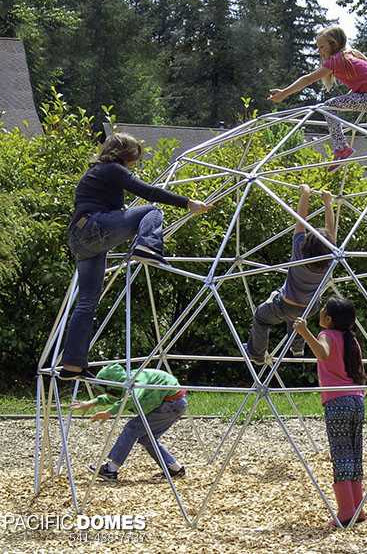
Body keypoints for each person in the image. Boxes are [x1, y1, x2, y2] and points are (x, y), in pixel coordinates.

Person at [60, 133, 211, 380]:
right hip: (93, 228)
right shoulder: (112, 169)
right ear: (126, 155)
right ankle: (148, 247)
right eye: (134, 159)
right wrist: (187, 203)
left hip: (80, 240)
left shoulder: (96, 172)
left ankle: (72, 365)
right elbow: (148, 192)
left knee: (87, 302)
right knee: (151, 211)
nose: (134, 164)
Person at [268, 26, 367, 209]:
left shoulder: (336, 60)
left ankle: (341, 148)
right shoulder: (350, 55)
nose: (319, 51)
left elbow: (307, 80)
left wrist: (284, 93)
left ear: (333, 44)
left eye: (322, 47)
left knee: (329, 106)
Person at [293, 297, 367, 527]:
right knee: (354, 454)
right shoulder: (352, 340)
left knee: (341, 454)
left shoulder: (328, 335)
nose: (320, 313)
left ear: (329, 319)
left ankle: (345, 512)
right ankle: (358, 508)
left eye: (323, 310)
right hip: (357, 399)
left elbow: (323, 353)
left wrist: (305, 332)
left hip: (337, 401)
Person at [244, 185, 335, 365]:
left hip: (285, 305)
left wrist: (305, 194)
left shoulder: (299, 254)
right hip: (310, 307)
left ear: (306, 243)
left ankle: (257, 354)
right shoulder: (330, 260)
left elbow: (300, 220)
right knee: (296, 317)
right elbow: (331, 233)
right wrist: (328, 204)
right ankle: (297, 346)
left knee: (261, 318)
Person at [71, 363, 188, 482]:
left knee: (132, 429)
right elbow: (115, 397)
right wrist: (91, 403)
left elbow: (132, 397)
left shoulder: (137, 379)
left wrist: (110, 412)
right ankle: (175, 469)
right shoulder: (125, 382)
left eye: (107, 389)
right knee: (147, 439)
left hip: (171, 403)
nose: (108, 392)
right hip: (172, 404)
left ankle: (110, 470)